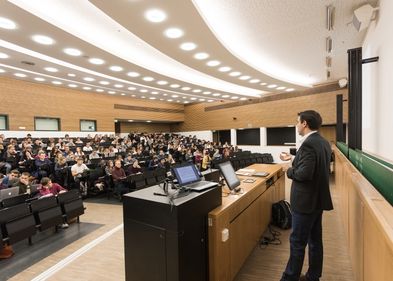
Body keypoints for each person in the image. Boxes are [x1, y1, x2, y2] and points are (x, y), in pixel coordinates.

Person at [279, 110, 333, 281]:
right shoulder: (323, 142)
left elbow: (304, 174)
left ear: (304, 124)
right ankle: (313, 276)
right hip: (317, 201)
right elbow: (312, 164)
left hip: (305, 203)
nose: (296, 125)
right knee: (315, 241)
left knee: (297, 243)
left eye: (297, 122)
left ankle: (290, 278)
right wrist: (293, 158)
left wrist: (287, 170)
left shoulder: (309, 144)